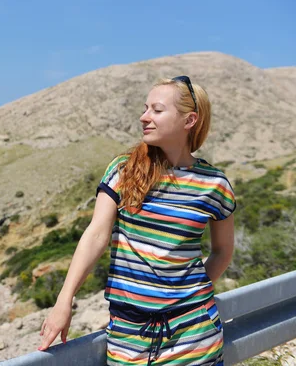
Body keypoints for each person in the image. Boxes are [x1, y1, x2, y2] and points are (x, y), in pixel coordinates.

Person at [38, 76, 236, 365]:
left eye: (156, 110)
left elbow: (222, 251)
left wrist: (189, 292)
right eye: (145, 109)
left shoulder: (214, 183)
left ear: (189, 120)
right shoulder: (123, 169)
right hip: (128, 336)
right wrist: (63, 301)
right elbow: (96, 235)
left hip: (195, 336)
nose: (144, 117)